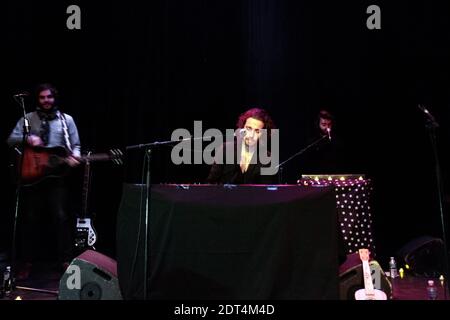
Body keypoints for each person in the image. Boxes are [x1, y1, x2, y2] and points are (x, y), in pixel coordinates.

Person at [7, 83, 81, 280]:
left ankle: (65, 261)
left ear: (54, 98)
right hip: (32, 176)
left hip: (57, 177)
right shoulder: (28, 118)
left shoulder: (67, 120)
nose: (46, 101)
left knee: (61, 217)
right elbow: (10, 140)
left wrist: (75, 156)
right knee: (30, 220)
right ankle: (27, 262)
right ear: (38, 99)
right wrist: (27, 138)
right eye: (42, 98)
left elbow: (76, 145)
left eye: (49, 97)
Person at [206, 107, 277, 184]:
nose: (251, 135)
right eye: (249, 128)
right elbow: (211, 183)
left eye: (257, 131)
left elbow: (265, 191)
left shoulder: (268, 158)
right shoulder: (226, 149)